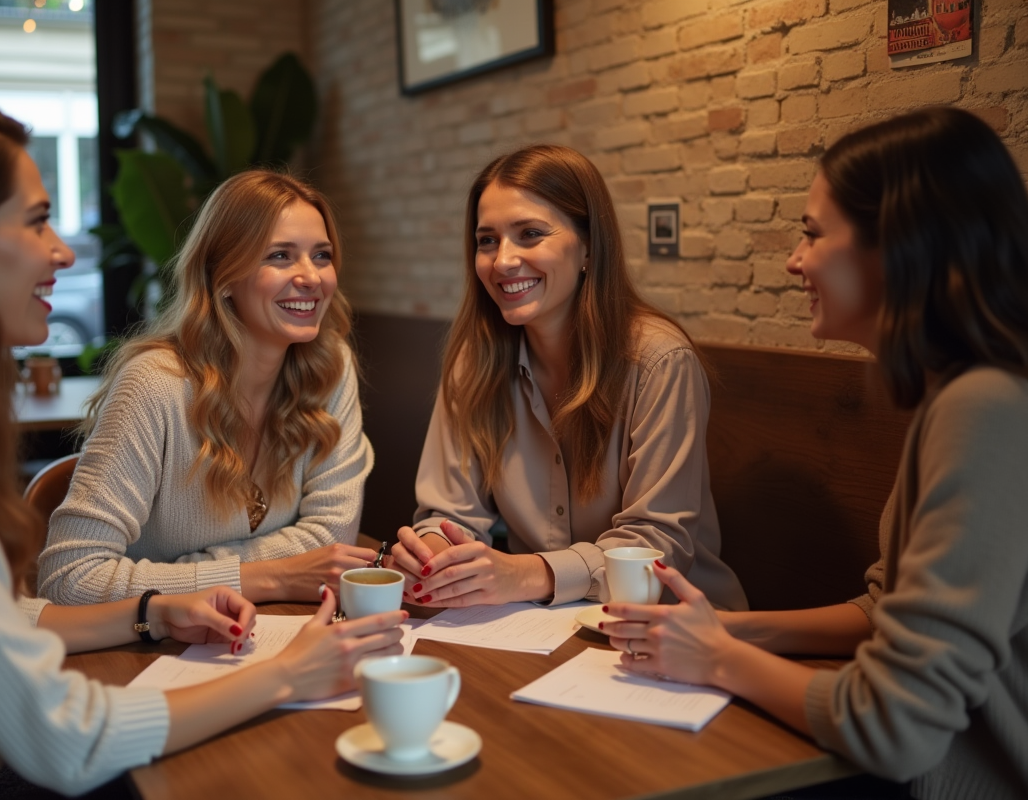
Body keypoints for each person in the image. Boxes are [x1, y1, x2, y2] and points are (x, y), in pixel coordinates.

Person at [0, 102, 405, 800]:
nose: (64, 252)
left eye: (321, 255)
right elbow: (64, 735)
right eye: (37, 221)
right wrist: (287, 668)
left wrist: (152, 606)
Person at [603, 108, 1028, 799]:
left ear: (898, 246)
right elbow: (886, 607)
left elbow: (895, 725)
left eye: (813, 232)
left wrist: (717, 659)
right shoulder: (958, 395)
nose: (794, 260)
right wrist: (729, 630)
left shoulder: (986, 408)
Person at [388, 144, 747, 610]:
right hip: (537, 623)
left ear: (588, 246)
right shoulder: (473, 362)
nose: (502, 261)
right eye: (487, 240)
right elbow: (448, 512)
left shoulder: (660, 361)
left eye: (530, 234)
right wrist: (434, 555)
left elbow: (655, 548)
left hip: (677, 626)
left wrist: (523, 573)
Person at [37, 169, 377, 606]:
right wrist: (272, 576)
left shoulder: (331, 367)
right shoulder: (154, 385)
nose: (311, 277)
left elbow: (333, 537)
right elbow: (69, 578)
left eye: (322, 255)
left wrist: (188, 573)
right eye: (280, 255)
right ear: (223, 276)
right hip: (148, 642)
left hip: (269, 629)